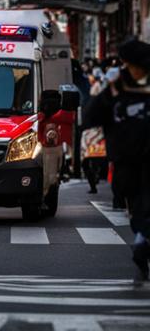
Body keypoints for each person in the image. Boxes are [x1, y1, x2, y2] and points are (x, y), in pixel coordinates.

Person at [85, 38, 150, 281]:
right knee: (136, 205)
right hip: (126, 159)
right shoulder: (116, 88)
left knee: (145, 205)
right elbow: (91, 116)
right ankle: (142, 240)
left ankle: (143, 242)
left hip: (139, 157)